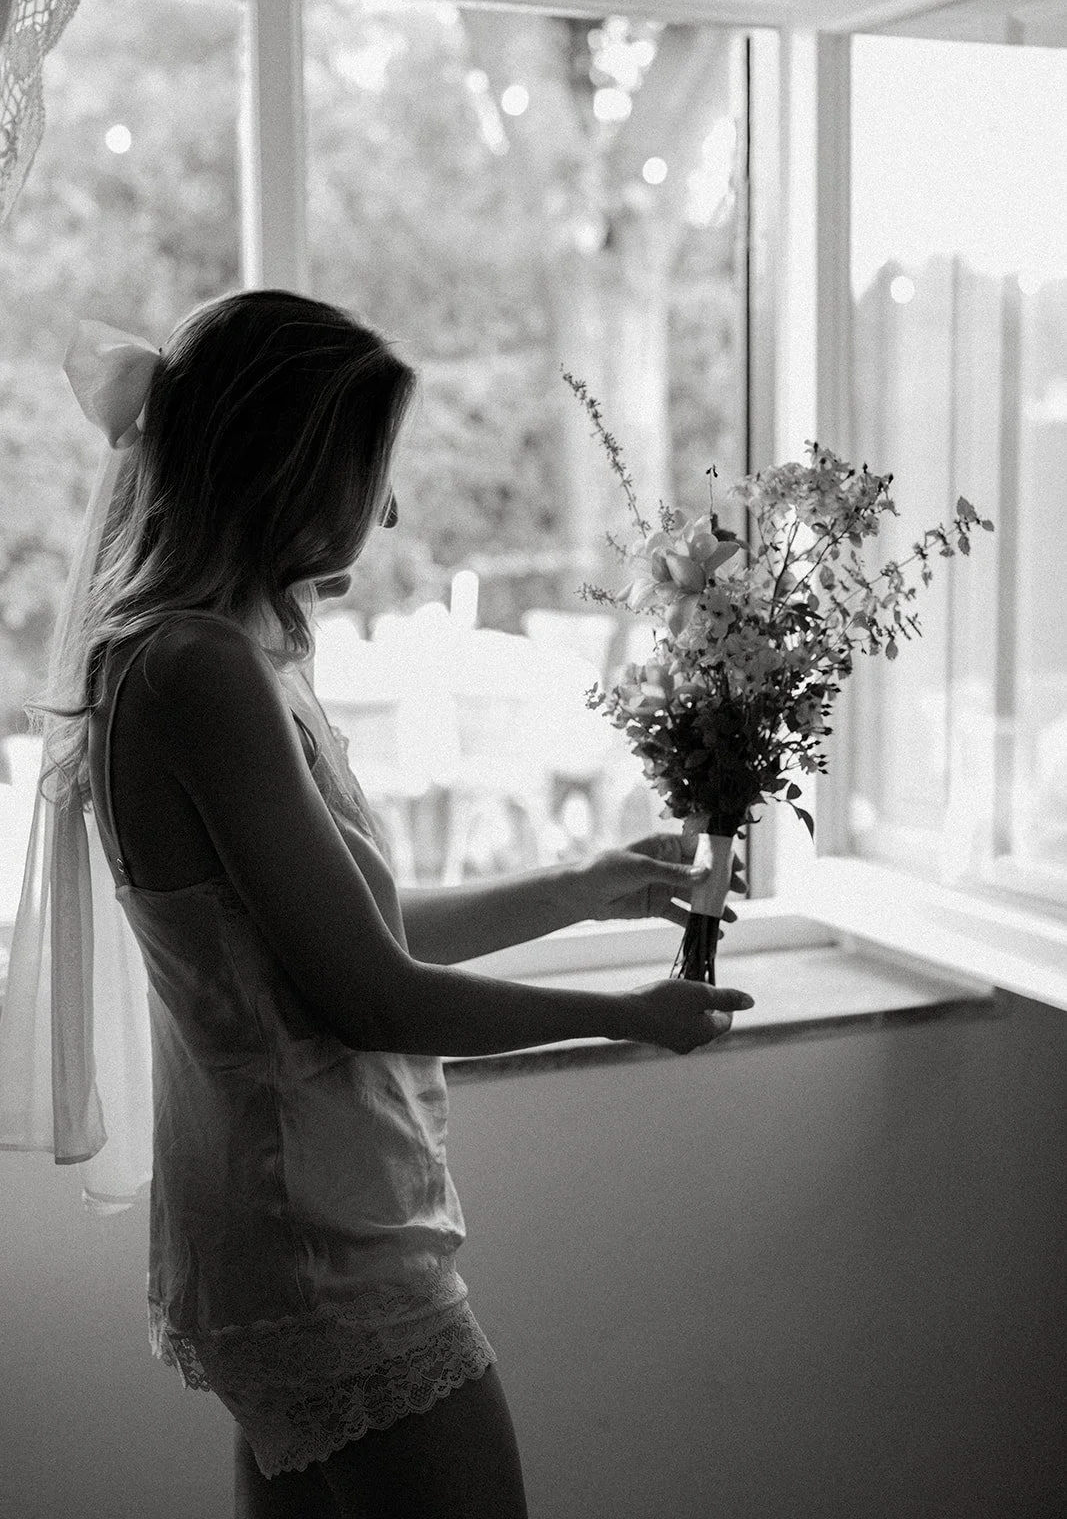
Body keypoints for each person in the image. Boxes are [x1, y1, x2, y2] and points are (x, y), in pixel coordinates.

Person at [28, 289, 754, 1518]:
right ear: (293, 466)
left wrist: (583, 887)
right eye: (375, 468)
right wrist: (628, 1019)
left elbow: (352, 931)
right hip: (316, 1232)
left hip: (291, 1218)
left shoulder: (221, 654)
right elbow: (367, 994)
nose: (394, 505)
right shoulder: (200, 669)